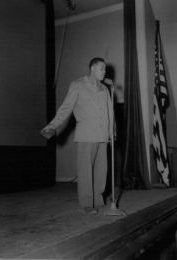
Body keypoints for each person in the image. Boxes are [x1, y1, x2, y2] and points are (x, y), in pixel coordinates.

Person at [43, 57, 113, 214]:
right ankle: (87, 204)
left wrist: (111, 131)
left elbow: (110, 112)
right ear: (92, 68)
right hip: (86, 134)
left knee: (101, 171)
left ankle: (98, 201)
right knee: (85, 171)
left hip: (102, 135)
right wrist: (53, 125)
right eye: (102, 68)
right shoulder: (78, 85)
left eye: (105, 69)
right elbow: (66, 107)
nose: (104, 71)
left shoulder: (104, 89)